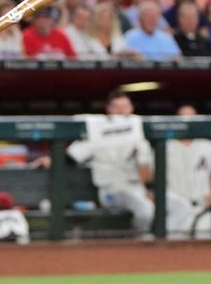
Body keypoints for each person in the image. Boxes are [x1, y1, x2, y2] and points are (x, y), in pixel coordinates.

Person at [66, 90, 192, 236]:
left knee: (182, 206)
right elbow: (70, 156)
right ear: (109, 110)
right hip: (111, 191)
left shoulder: (137, 133)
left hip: (137, 188)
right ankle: (138, 245)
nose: (121, 111)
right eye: (116, 107)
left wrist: (149, 190)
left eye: (125, 107)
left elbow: (145, 167)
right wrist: (50, 160)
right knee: (146, 210)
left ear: (131, 108)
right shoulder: (97, 131)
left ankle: (166, 243)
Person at [166, 105, 211, 238]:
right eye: (183, 117)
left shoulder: (208, 145)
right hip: (176, 206)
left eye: (192, 118)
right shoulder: (165, 146)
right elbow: (155, 177)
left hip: (201, 204)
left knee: (203, 236)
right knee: (172, 241)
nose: (187, 121)